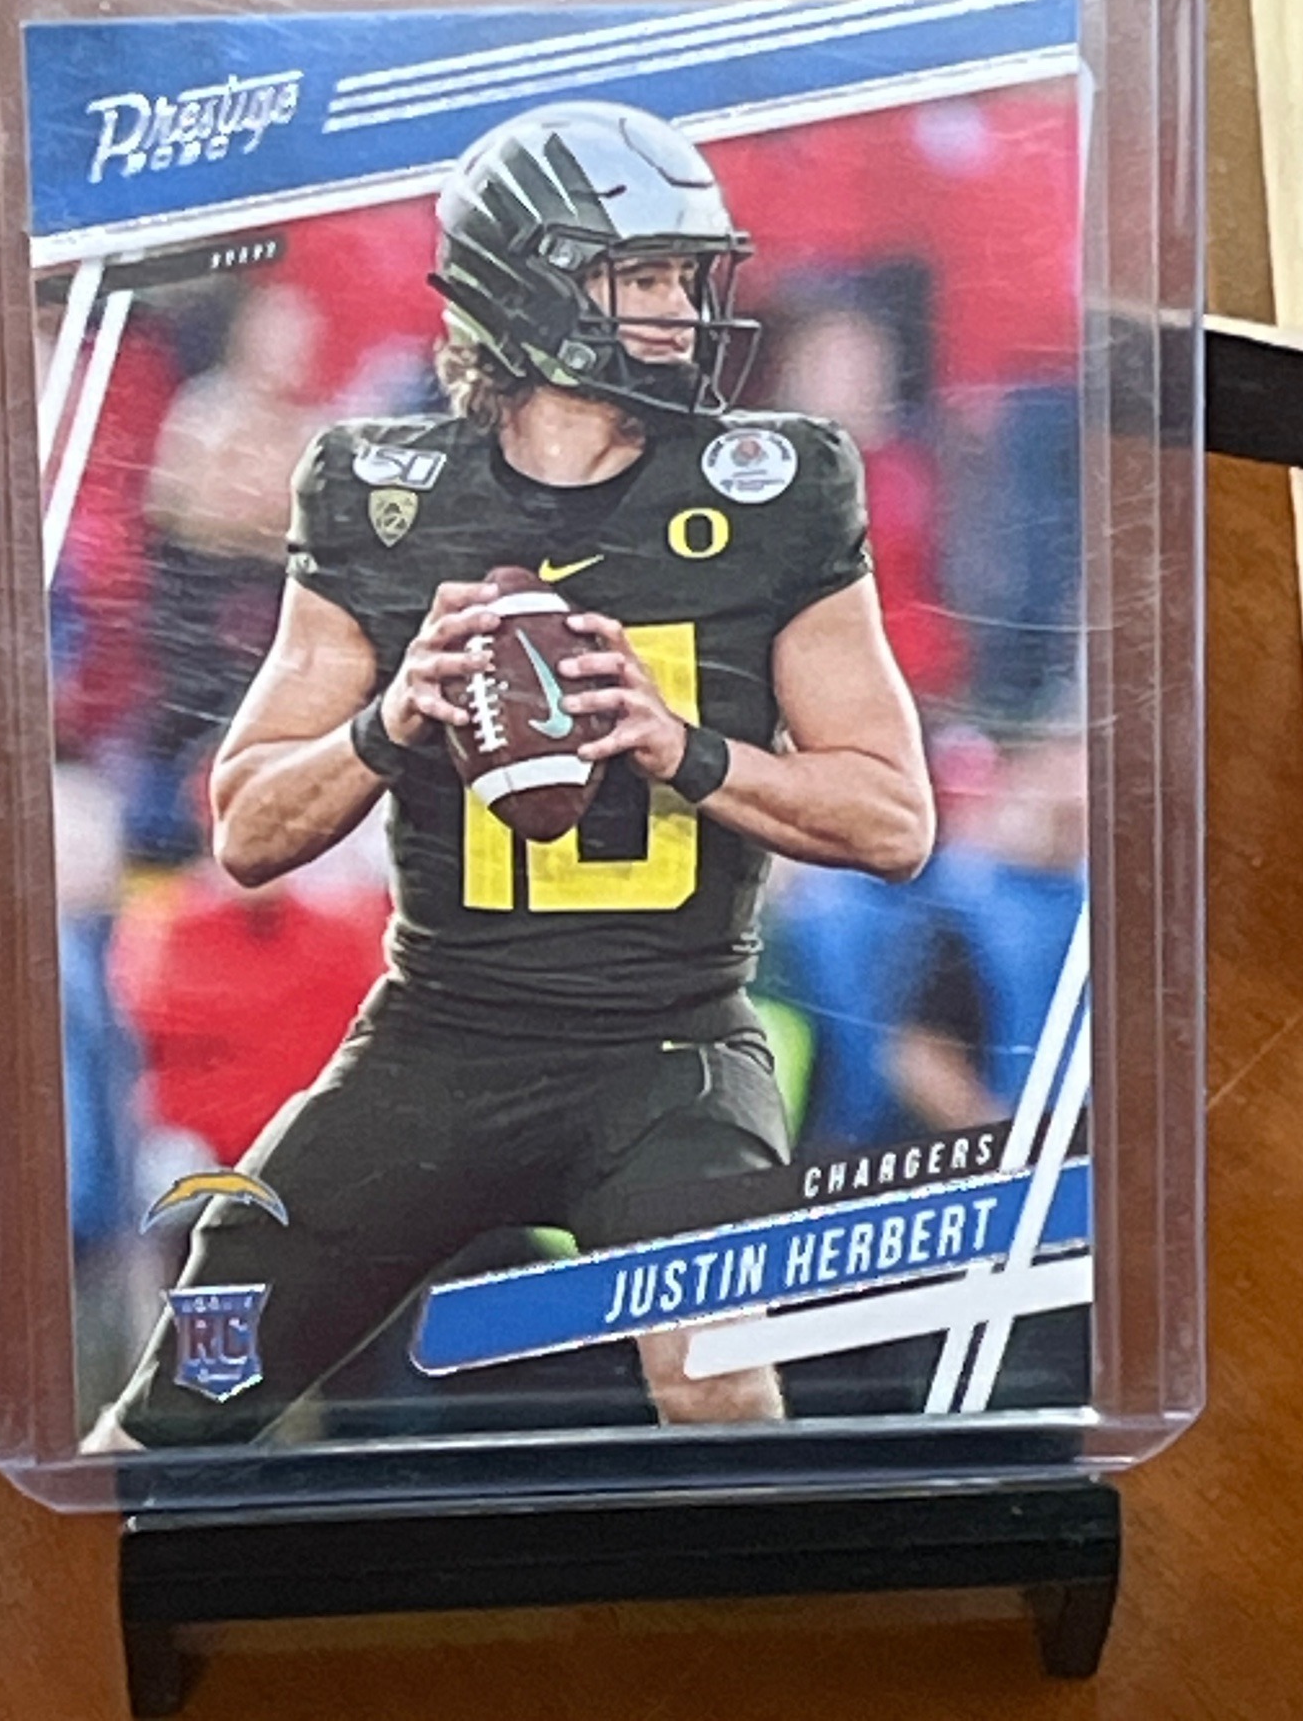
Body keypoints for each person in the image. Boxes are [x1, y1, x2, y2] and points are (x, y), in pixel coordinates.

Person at [88, 99, 933, 1450]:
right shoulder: (382, 492)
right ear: (529, 286)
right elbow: (245, 828)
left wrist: (686, 748)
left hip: (672, 1039)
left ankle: (766, 1581)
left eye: (684, 276)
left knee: (716, 1372)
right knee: (197, 1377)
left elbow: (893, 819)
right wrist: (391, 722)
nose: (679, 310)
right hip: (440, 1032)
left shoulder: (774, 488)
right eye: (641, 276)